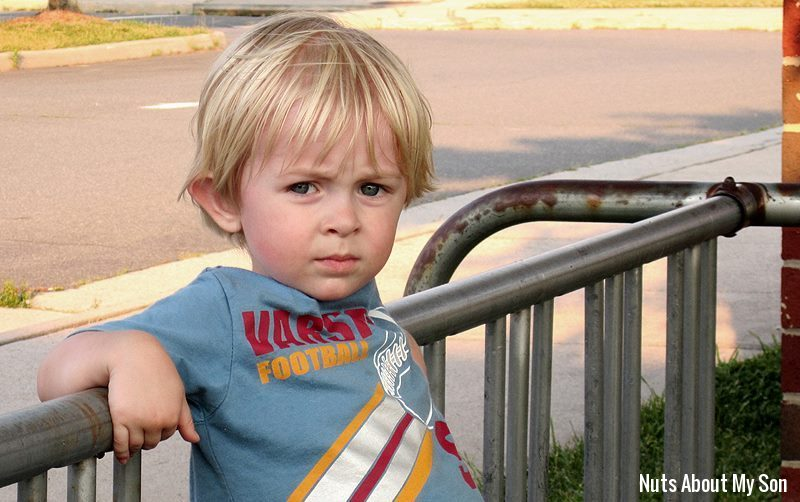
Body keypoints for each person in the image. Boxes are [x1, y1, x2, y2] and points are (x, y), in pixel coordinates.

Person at [37, 12, 481, 501]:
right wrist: (128, 353)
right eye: (304, 186)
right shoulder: (224, 311)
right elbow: (58, 370)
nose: (344, 218)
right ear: (225, 200)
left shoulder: (367, 310)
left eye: (372, 188)